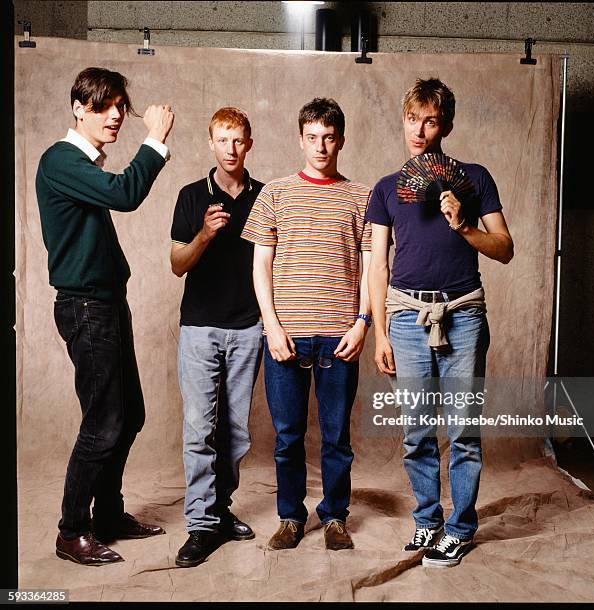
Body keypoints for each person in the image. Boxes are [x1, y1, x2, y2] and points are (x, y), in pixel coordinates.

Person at [367, 78, 514, 567]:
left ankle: (461, 528)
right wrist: (381, 332)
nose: (420, 129)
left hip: (463, 314)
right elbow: (377, 265)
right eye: (413, 118)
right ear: (404, 120)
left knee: (464, 429)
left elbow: (506, 249)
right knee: (416, 429)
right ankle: (428, 521)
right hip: (406, 316)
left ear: (445, 124)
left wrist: (464, 225)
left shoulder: (475, 179)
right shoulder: (388, 188)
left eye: (430, 120)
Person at [35, 67, 174, 565]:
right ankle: (71, 531)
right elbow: (125, 195)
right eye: (103, 105)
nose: (116, 115)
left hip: (107, 304)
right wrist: (154, 140)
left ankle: (108, 514)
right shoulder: (61, 159)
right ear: (78, 107)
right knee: (103, 422)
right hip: (86, 308)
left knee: (128, 414)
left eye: (120, 105)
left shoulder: (82, 165)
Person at [242, 98, 372, 551]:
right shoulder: (275, 193)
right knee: (288, 436)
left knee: (336, 436)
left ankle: (335, 516)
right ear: (301, 139)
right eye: (312, 137)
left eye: (329, 138)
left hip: (340, 336)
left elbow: (373, 265)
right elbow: (261, 266)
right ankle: (291, 518)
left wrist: (362, 323)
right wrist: (272, 327)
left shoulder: (361, 196)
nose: (321, 146)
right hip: (287, 337)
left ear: (341, 139)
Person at [170, 107, 264, 568]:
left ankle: (220, 511)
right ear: (211, 143)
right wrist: (204, 234)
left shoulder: (266, 197)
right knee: (199, 429)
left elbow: (276, 266)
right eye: (222, 140)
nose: (231, 149)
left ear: (249, 143)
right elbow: (177, 263)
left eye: (238, 140)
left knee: (236, 432)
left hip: (249, 327)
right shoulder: (191, 196)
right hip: (200, 327)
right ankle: (201, 525)